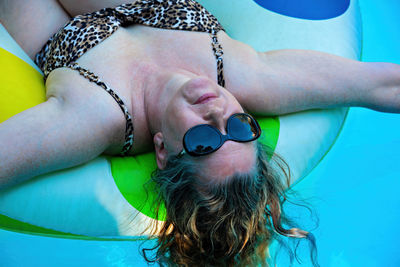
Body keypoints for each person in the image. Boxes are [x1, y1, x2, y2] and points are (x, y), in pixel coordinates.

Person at [0, 0, 399, 266]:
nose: (217, 112)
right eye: (241, 128)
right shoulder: (242, 74)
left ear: (162, 151)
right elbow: (380, 86)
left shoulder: (96, 117)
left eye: (203, 143)